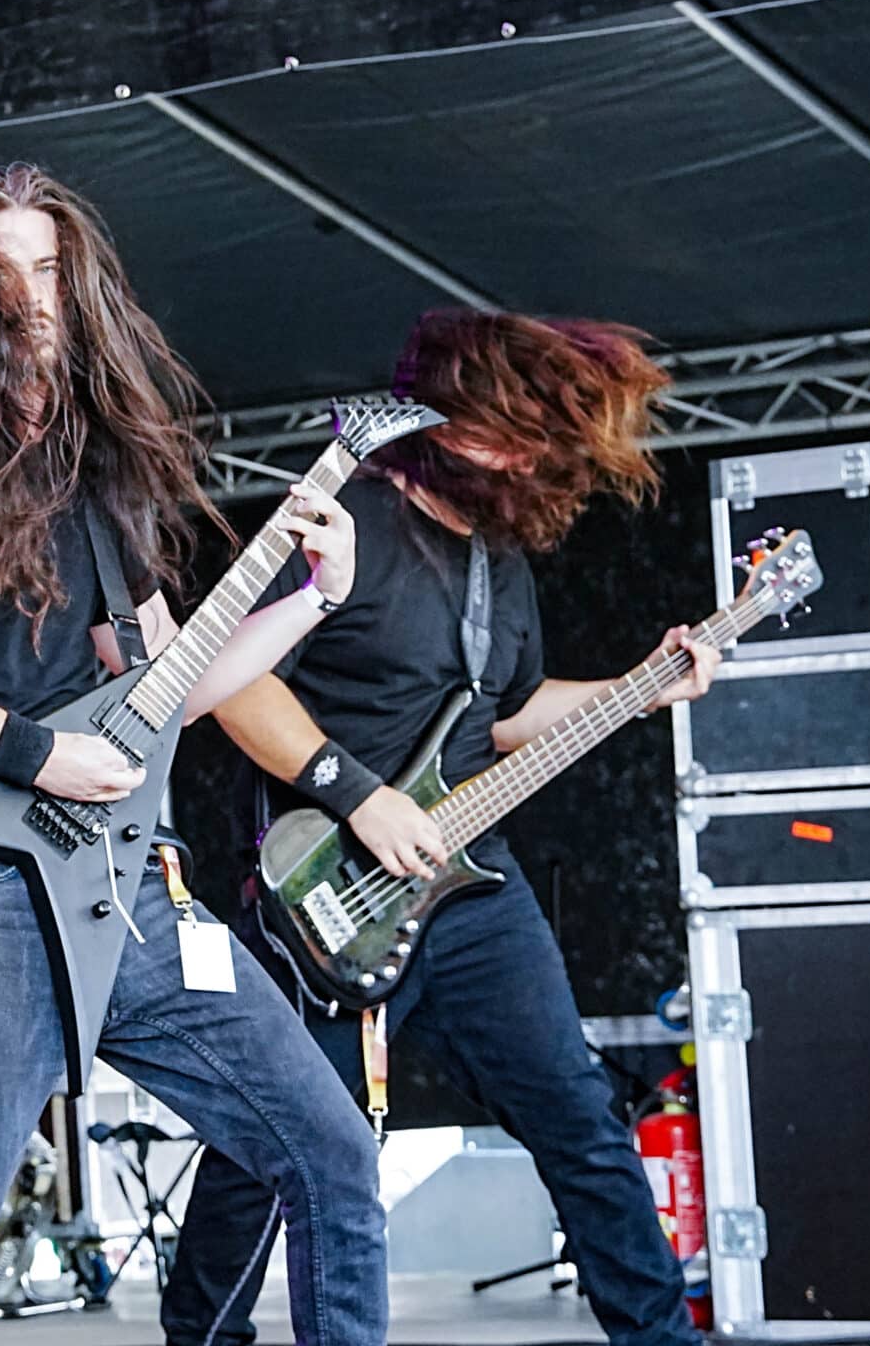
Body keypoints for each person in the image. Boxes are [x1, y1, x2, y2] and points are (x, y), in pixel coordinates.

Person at [0, 162, 388, 1346]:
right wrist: (31, 754)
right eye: (6, 274)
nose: (34, 299)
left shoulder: (105, 484)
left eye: (52, 270)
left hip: (136, 897)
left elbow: (174, 689)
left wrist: (314, 600)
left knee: (334, 1156)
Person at [160, 309, 718, 1346]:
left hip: (465, 883)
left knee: (579, 1117)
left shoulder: (498, 565)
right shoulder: (346, 519)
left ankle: (661, 1339)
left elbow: (507, 715)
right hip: (324, 886)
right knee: (272, 1144)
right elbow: (234, 688)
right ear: (449, 429)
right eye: (510, 439)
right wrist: (358, 794)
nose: (527, 463)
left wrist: (642, 687)